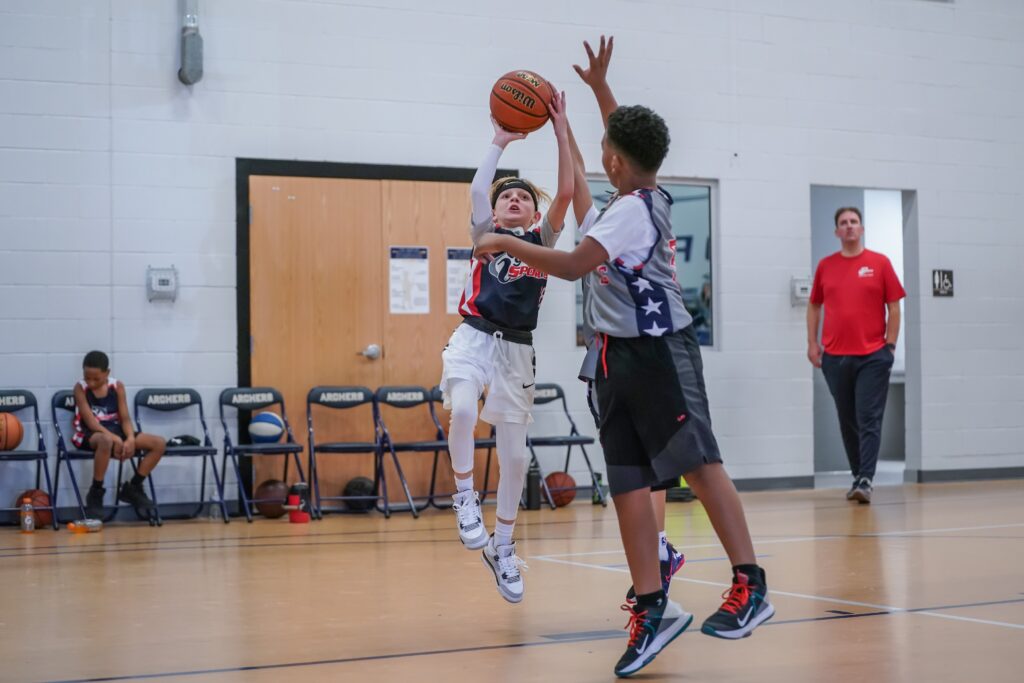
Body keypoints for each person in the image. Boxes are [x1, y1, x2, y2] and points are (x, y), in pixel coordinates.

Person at [474, 36, 773, 676]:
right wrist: (568, 117)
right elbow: (589, 179)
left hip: (661, 353)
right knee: (631, 486)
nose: (601, 153)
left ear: (617, 157)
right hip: (612, 360)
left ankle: (752, 583)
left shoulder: (635, 212)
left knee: (699, 462)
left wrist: (504, 239)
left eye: (604, 145)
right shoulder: (624, 199)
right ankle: (653, 605)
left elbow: (575, 262)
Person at [442, 92, 573, 603]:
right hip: (473, 337)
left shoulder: (542, 240)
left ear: (534, 212)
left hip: (517, 351)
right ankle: (465, 497)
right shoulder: (485, 234)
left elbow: (565, 191)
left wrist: (560, 130)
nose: (513, 201)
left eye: (522, 197)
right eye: (506, 197)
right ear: (494, 210)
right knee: (458, 410)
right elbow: (478, 187)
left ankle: (503, 545)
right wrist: (498, 141)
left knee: (515, 459)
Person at [807, 207, 905, 504]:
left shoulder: (880, 263)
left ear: (861, 228)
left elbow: (894, 306)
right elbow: (814, 306)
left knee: (868, 417)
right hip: (835, 358)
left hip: (873, 355)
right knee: (847, 419)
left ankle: (866, 478)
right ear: (837, 231)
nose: (849, 227)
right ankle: (858, 475)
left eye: (853, 222)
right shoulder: (826, 266)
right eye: (843, 223)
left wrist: (889, 345)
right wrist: (812, 343)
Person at [72, 350, 166, 520]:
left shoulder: (117, 386)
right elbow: (92, 422)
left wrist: (129, 438)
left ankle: (134, 487)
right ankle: (96, 492)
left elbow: (125, 418)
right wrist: (116, 439)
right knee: (106, 440)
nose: (91, 382)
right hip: (90, 433)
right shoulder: (80, 388)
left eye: (96, 378)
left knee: (158, 443)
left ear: (107, 373)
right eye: (87, 377)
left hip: (116, 430)